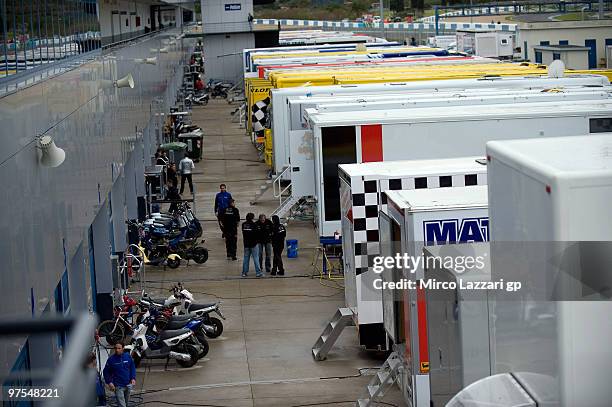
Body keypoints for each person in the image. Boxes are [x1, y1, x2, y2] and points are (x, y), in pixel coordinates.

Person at [103, 342, 136, 407]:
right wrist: (109, 382)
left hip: (128, 384)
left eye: (119, 348)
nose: (117, 350)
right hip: (118, 386)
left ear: (123, 348)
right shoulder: (111, 360)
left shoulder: (128, 356)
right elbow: (105, 372)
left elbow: (132, 367)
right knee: (122, 405)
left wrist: (133, 378)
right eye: (115, 348)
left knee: (126, 404)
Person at [242, 213, 262, 277]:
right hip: (253, 244)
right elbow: (257, 235)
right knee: (256, 258)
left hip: (246, 244)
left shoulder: (244, 225)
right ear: (252, 218)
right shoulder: (254, 225)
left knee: (246, 258)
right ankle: (258, 272)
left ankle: (244, 272)